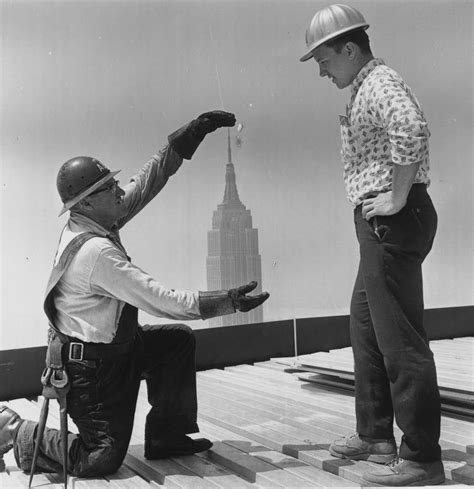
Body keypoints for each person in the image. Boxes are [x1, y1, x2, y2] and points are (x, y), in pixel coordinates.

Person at [0, 110, 269, 478]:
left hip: (117, 351)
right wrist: (227, 301)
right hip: (91, 373)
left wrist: (188, 136)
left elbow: (147, 182)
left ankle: (167, 436)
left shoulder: (93, 217)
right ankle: (14, 429)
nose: (119, 191)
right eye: (110, 187)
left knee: (176, 342)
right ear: (88, 202)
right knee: (100, 458)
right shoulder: (95, 253)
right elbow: (160, 299)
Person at [299, 4, 443, 487]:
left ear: (349, 48)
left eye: (323, 60)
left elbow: (411, 128)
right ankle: (376, 435)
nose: (321, 71)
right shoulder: (364, 85)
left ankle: (422, 456)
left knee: (401, 341)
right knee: (365, 326)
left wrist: (397, 197)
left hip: (394, 223)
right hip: (381, 224)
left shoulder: (380, 83)